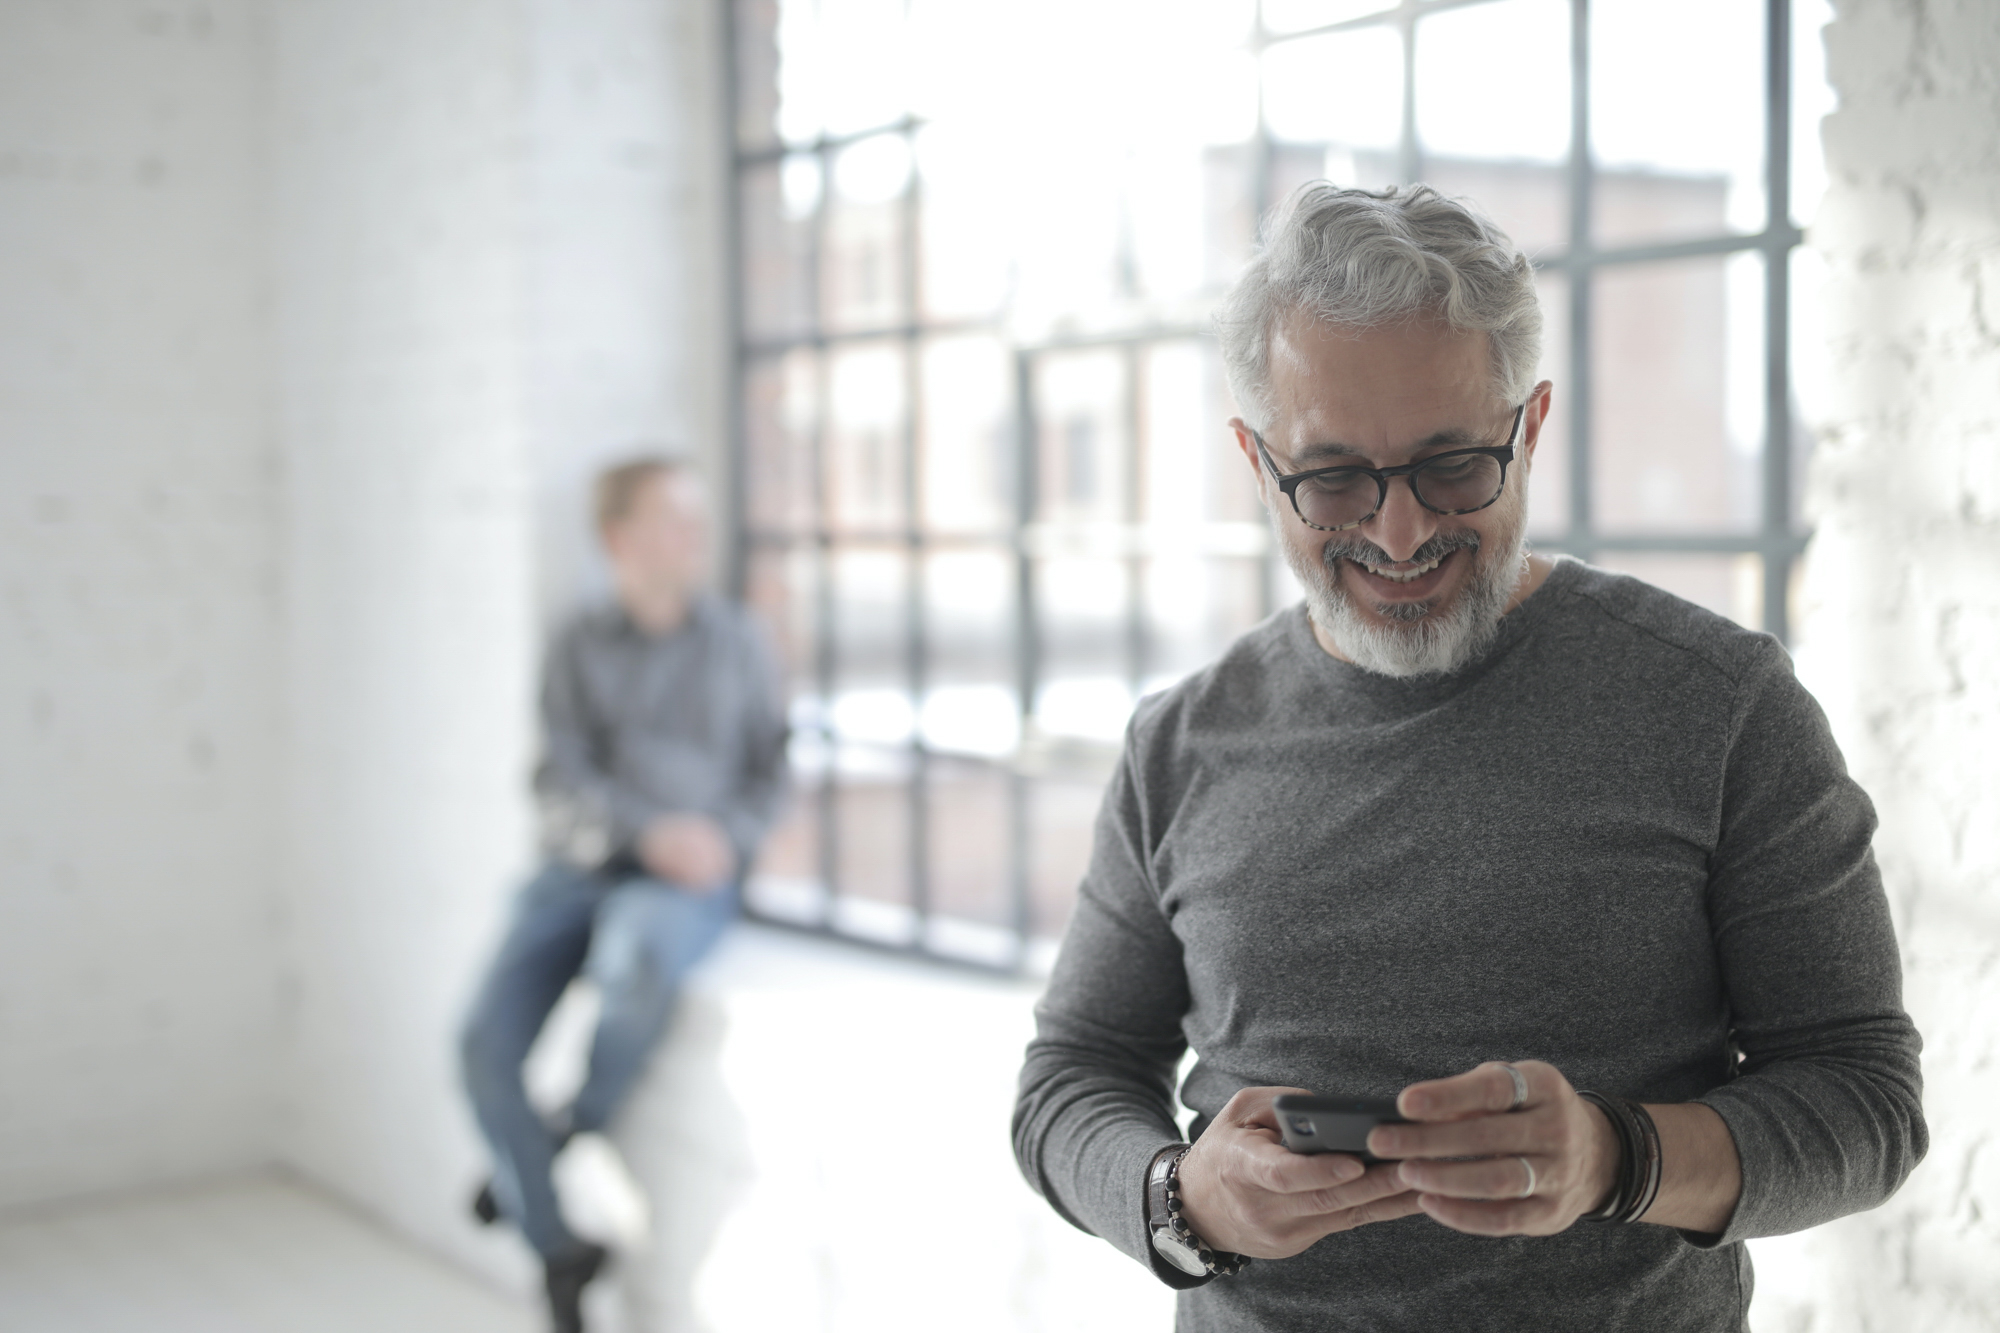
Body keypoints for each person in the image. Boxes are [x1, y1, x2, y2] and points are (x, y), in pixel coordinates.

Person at [1012, 183, 1925, 1331]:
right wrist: (1180, 1198)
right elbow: (1068, 1079)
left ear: (1529, 425)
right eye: (1332, 476)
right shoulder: (1180, 741)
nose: (1398, 534)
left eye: (1452, 465)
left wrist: (1612, 1158)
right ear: (1255, 461)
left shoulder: (1718, 706)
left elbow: (1865, 1101)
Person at [460, 457, 787, 1333]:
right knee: (481, 1042)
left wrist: (723, 839)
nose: (695, 536)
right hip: (581, 868)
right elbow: (557, 781)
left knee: (633, 958)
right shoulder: (577, 642)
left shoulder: (739, 642)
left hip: (685, 885)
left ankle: (558, 1134)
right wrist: (646, 832)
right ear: (619, 537)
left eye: (698, 518)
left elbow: (771, 771)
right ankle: (558, 1246)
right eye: (674, 519)